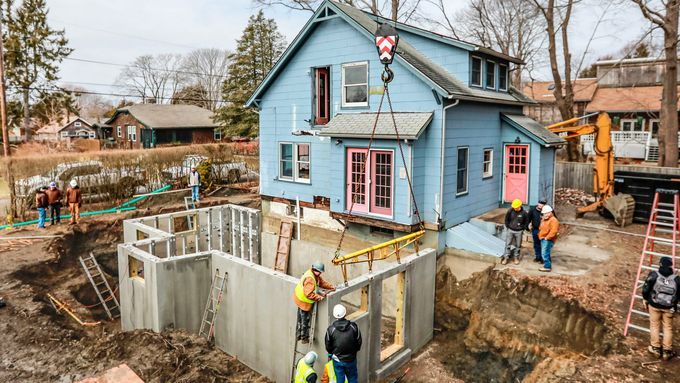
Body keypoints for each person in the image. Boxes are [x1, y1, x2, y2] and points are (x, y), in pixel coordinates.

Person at [642, 257, 680, 360]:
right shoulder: (676, 279)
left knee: (654, 326)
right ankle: (667, 351)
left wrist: (645, 299)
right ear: (670, 266)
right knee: (668, 328)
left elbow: (646, 289)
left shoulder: (654, 275)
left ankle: (655, 348)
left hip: (654, 305)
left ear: (660, 264)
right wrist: (674, 304)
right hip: (669, 308)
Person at [294, 261, 335, 343]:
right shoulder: (310, 279)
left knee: (301, 318)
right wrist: (319, 297)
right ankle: (304, 338)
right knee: (305, 319)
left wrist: (331, 287)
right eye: (319, 272)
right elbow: (308, 294)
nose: (320, 274)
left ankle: (299, 335)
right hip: (303, 301)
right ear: (315, 269)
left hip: (299, 298)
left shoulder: (312, 273)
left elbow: (321, 282)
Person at [324, 304, 361, 383]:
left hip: (338, 360)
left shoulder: (331, 329)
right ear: (345, 314)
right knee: (352, 378)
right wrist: (354, 352)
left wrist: (332, 353)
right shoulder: (354, 327)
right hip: (351, 359)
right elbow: (359, 342)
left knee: (340, 380)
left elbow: (328, 345)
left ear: (335, 316)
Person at [501, 199, 529, 265]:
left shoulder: (524, 213)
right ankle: (506, 258)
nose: (515, 208)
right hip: (510, 230)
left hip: (519, 231)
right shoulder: (510, 211)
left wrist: (523, 228)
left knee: (518, 245)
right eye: (514, 207)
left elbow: (526, 222)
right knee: (508, 244)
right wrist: (508, 226)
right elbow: (506, 219)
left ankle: (516, 258)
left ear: (520, 206)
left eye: (516, 207)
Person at [538, 205, 559, 272]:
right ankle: (547, 264)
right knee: (546, 252)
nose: (545, 215)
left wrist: (547, 237)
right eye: (544, 213)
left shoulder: (553, 220)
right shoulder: (544, 219)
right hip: (543, 237)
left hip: (547, 239)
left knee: (544, 253)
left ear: (550, 212)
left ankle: (547, 266)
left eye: (547, 213)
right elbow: (541, 227)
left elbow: (554, 231)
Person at [529, 199, 547, 263]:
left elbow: (554, 218)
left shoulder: (547, 210)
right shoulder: (533, 210)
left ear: (544, 205)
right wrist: (527, 227)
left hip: (544, 230)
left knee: (544, 244)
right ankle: (538, 257)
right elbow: (529, 218)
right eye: (540, 203)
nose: (540, 205)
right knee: (536, 244)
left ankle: (543, 258)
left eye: (542, 204)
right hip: (535, 229)